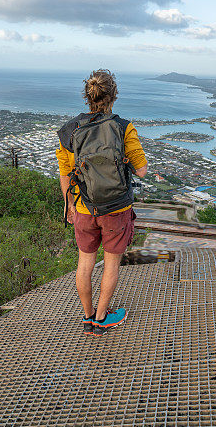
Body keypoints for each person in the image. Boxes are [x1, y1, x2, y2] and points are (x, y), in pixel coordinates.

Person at [56, 69, 147, 337]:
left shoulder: (69, 132)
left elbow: (65, 174)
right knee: (111, 264)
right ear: (113, 96)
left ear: (87, 97)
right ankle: (102, 318)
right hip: (116, 208)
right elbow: (141, 170)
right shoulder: (122, 128)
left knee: (85, 264)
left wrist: (68, 206)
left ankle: (87, 317)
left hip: (83, 207)